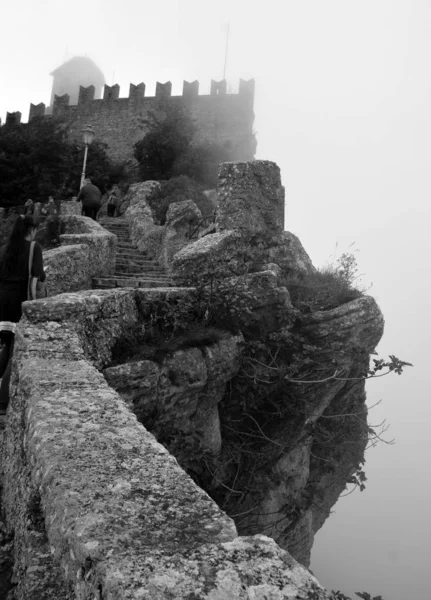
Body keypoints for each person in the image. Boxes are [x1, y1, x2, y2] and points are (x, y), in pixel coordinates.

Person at [0, 215, 46, 411]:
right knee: (16, 351)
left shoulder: (4, 249)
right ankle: (3, 401)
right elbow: (38, 275)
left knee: (6, 343)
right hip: (19, 303)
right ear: (32, 230)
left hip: (2, 304)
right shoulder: (34, 248)